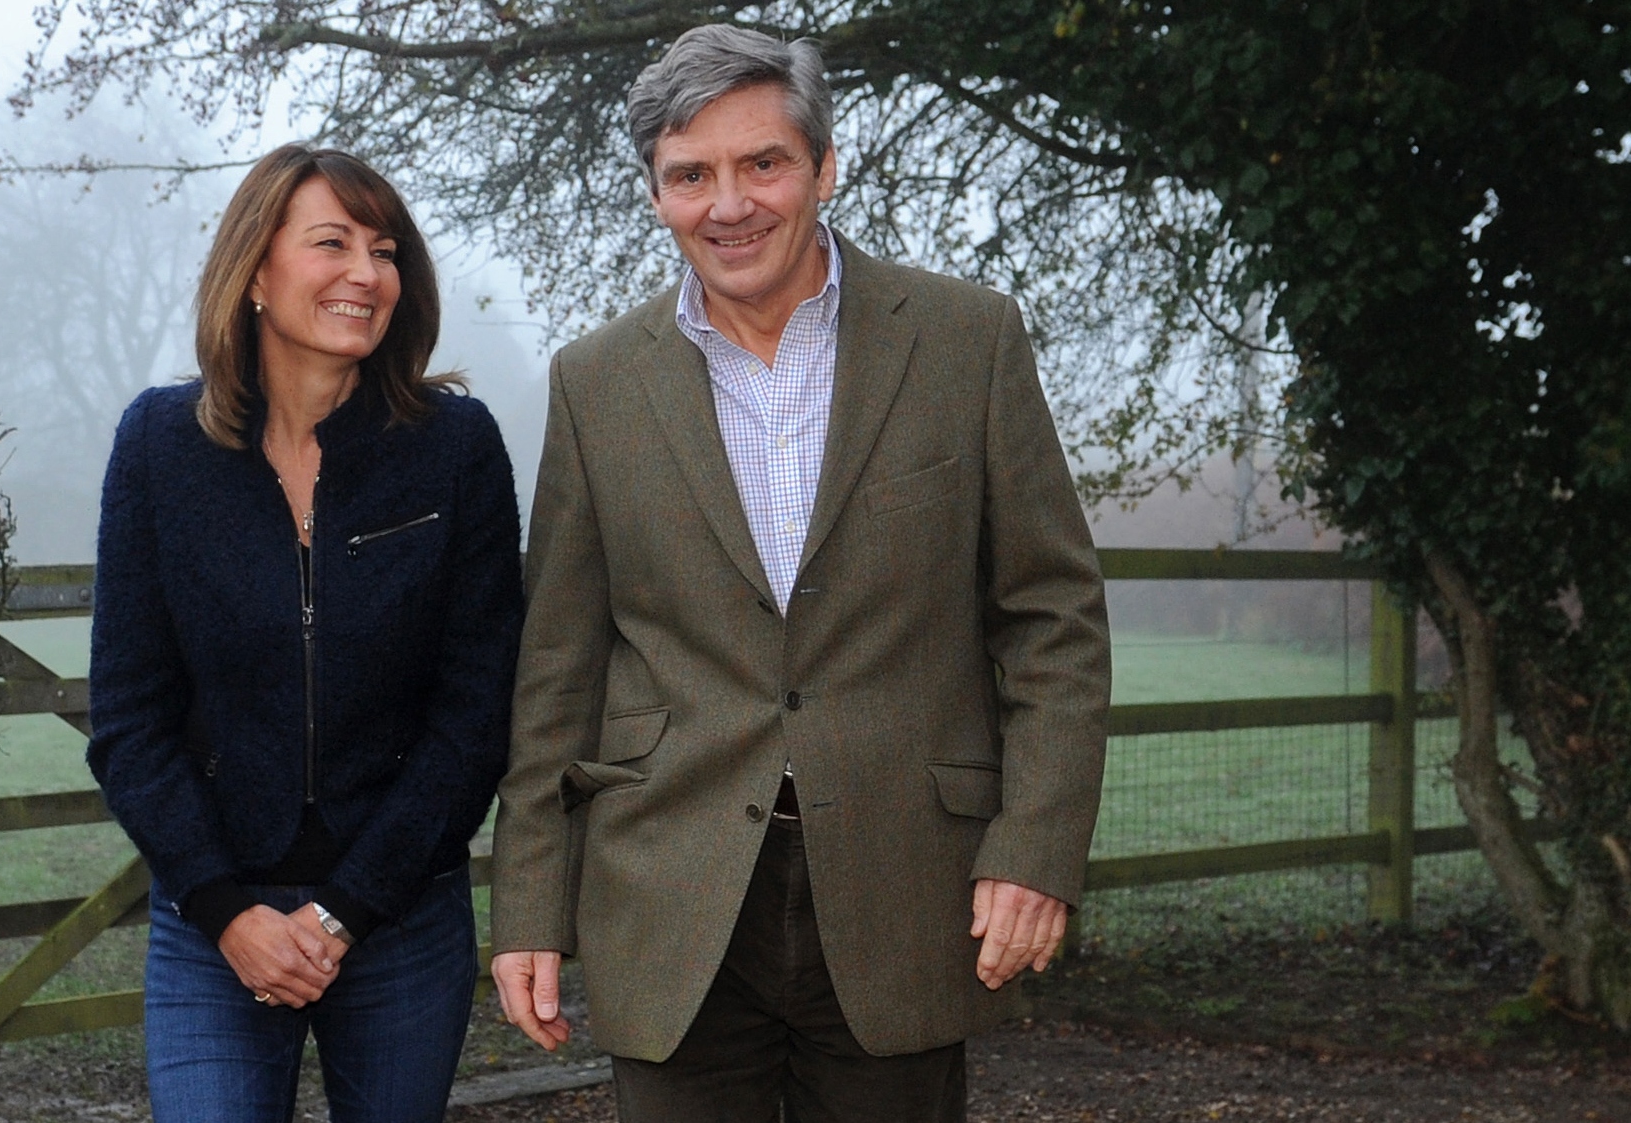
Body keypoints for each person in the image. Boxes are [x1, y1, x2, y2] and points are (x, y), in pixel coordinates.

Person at [488, 25, 1111, 1122]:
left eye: (760, 163)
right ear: (655, 193)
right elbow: (557, 671)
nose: (727, 204)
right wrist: (531, 905)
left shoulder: (965, 341)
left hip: (905, 886)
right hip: (666, 896)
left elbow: (1049, 616)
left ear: (823, 167)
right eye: (690, 175)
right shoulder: (594, 383)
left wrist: (1037, 845)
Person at [87, 144, 524, 1123]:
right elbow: (126, 719)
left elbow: (474, 713)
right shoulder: (159, 446)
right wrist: (225, 909)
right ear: (254, 271)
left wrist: (346, 908)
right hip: (214, 921)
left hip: (401, 912)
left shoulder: (454, 448)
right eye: (332, 243)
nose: (365, 274)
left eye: (384, 249)